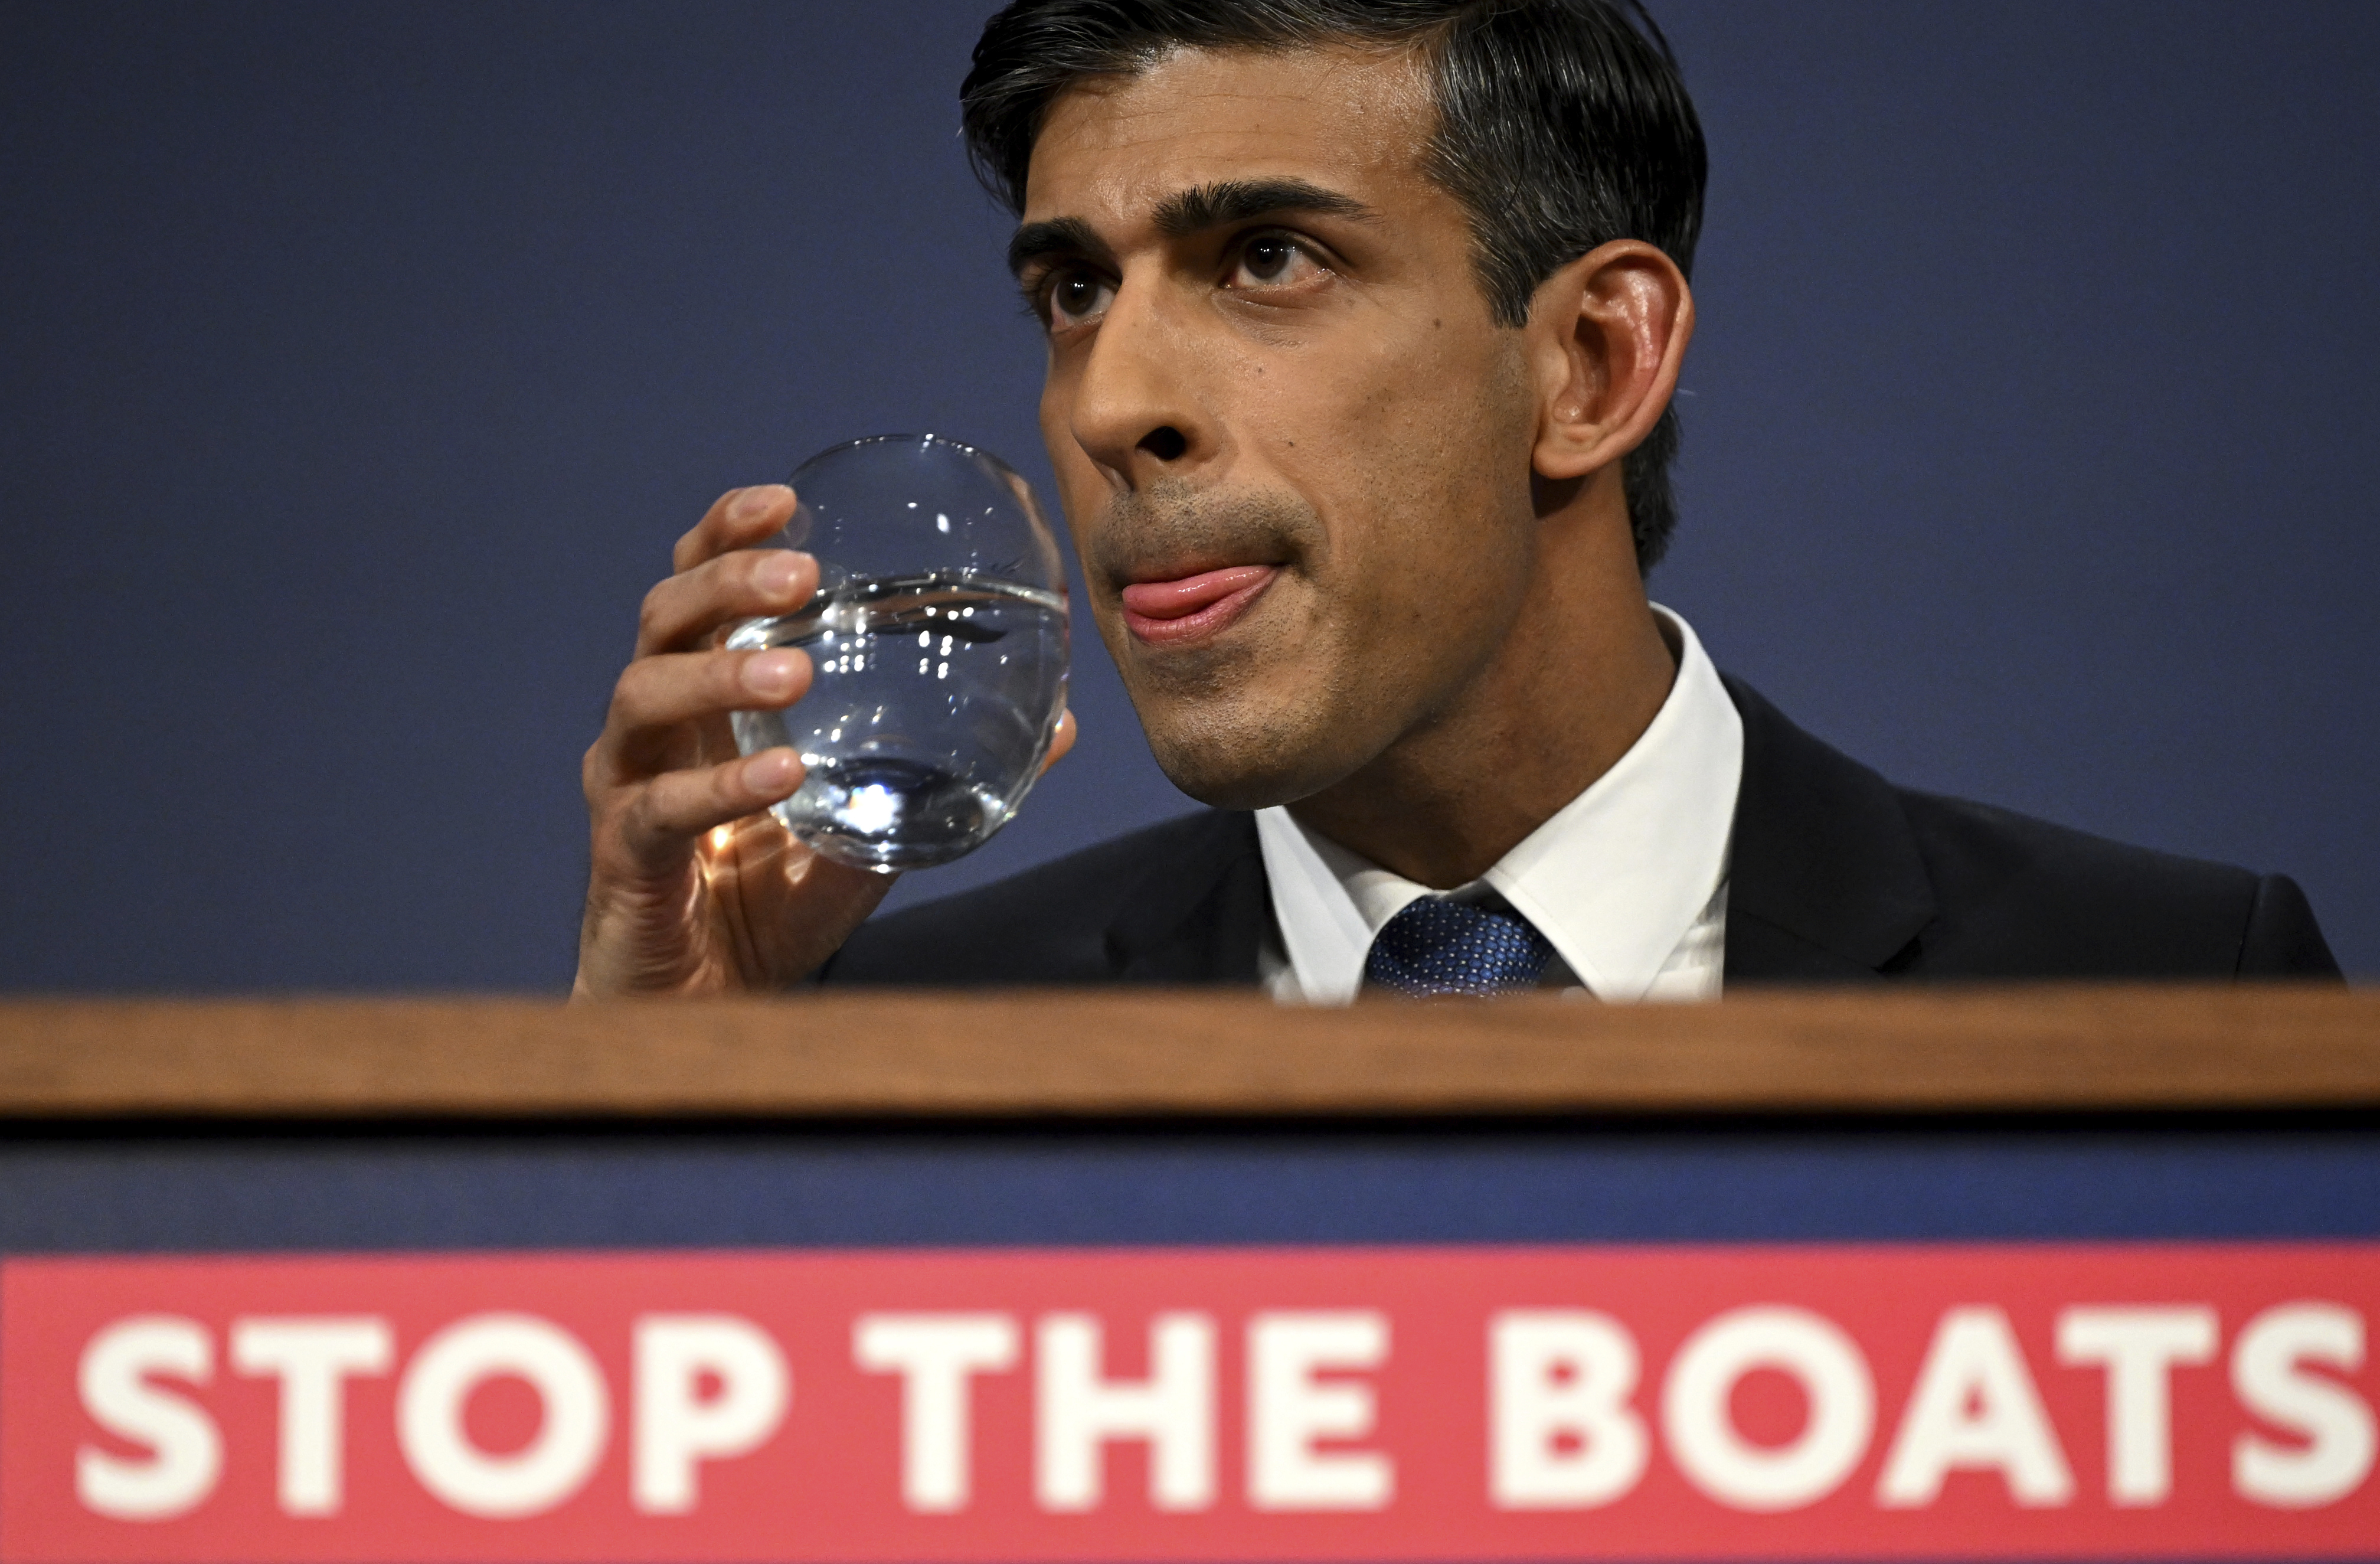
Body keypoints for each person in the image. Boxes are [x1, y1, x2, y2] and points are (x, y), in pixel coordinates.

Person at [574, 0, 2336, 1001]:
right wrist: (667, 1119)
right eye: (1075, 292)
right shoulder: (893, 1044)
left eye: (1264, 259)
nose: (1111, 407)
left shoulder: (2161, 984)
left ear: (1591, 362)